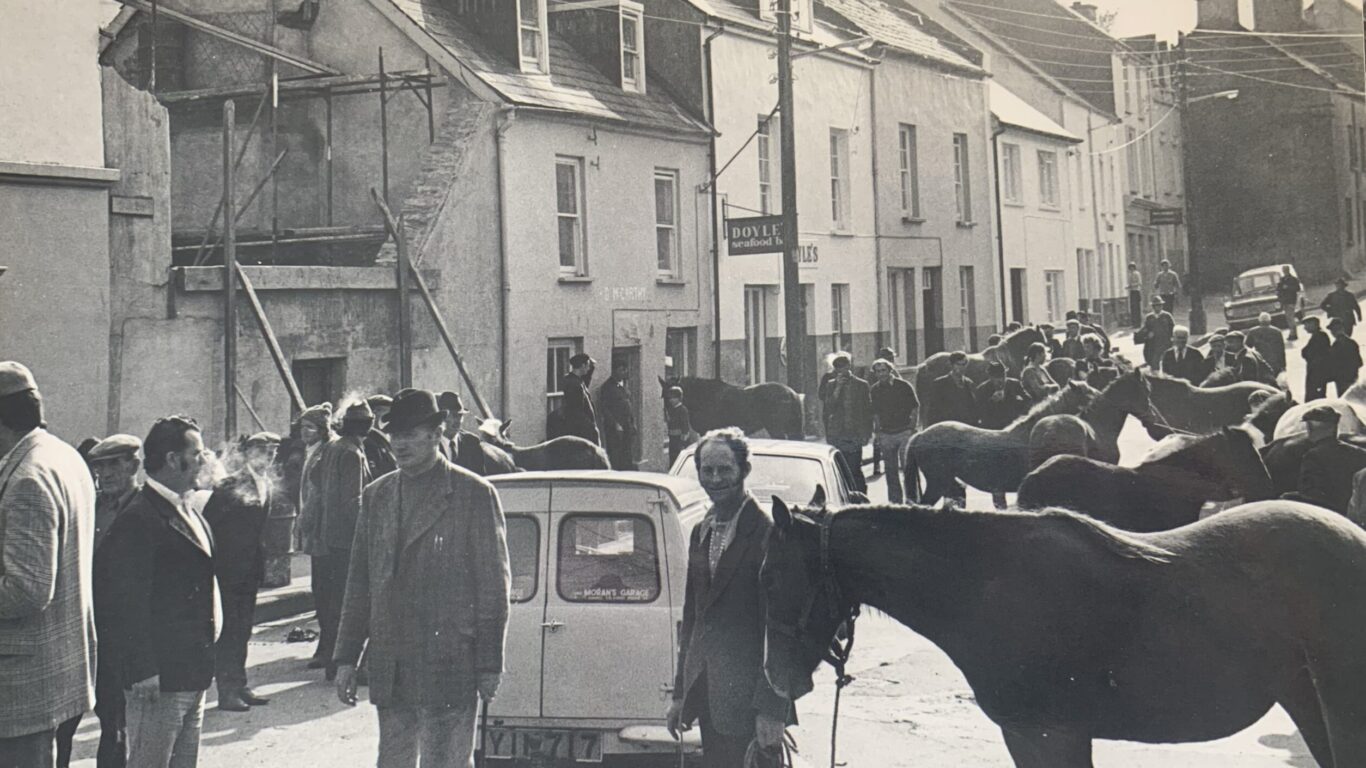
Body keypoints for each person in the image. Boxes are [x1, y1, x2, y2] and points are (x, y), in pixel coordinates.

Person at [334, 388, 510, 768]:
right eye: (395, 435)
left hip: (449, 664)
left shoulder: (473, 494)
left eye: (411, 435)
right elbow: (359, 584)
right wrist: (346, 657)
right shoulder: (377, 496)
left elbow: (493, 588)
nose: (400, 444)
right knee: (393, 761)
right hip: (393, 665)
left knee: (446, 762)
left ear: (437, 434)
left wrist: (489, 664)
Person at [666, 429, 791, 768]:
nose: (715, 479)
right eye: (707, 470)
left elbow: (780, 633)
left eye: (725, 470)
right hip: (709, 697)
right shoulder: (701, 531)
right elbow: (694, 619)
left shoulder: (768, 533)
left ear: (744, 470)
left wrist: (772, 710)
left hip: (752, 706)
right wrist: (680, 694)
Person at [97, 416, 215, 768]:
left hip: (191, 672)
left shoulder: (187, 507)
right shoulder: (139, 518)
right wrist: (141, 669)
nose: (204, 459)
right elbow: (119, 601)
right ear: (172, 460)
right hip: (159, 681)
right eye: (197, 453)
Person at [0, 363, 96, 768]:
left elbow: (26, 590)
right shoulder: (62, 455)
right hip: (58, 671)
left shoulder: (27, 479)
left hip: (22, 687)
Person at [80, 435, 144, 768]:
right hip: (91, 628)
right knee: (98, 713)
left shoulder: (145, 510)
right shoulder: (92, 507)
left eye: (113, 465)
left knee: (118, 722)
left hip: (125, 633)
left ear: (134, 466)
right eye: (99, 466)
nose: (104, 474)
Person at [203, 432, 279, 713]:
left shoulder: (267, 483)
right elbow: (209, 523)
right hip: (228, 568)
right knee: (229, 630)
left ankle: (240, 684)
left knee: (244, 628)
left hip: (250, 568)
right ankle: (227, 691)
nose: (268, 457)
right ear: (248, 453)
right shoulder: (230, 485)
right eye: (262, 450)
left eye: (272, 452)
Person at [312, 402, 374, 681]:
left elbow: (316, 479)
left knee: (334, 601)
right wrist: (369, 530)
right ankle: (341, 665)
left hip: (330, 537)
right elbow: (354, 502)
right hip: (347, 540)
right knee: (350, 603)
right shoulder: (352, 453)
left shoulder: (333, 447)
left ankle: (332, 662)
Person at [293, 402, 332, 671]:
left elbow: (316, 495)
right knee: (320, 589)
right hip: (316, 529)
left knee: (324, 590)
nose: (305, 432)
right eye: (302, 427)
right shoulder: (310, 452)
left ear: (322, 430)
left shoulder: (324, 453)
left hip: (321, 530)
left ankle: (327, 648)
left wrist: (303, 523)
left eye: (310, 428)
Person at [1285, 406, 1366, 515]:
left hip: (1329, 513)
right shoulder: (1360, 453)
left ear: (1310, 428)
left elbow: (1310, 493)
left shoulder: (1313, 456)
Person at [818, 353, 872, 493]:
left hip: (855, 432)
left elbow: (867, 411)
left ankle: (860, 495)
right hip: (838, 433)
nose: (841, 371)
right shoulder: (831, 385)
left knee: (855, 468)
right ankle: (844, 495)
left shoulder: (861, 385)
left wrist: (867, 433)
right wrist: (837, 388)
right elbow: (829, 407)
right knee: (839, 468)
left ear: (849, 366)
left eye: (844, 367)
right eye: (838, 368)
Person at [869, 358, 919, 504]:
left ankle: (912, 501)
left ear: (890, 370)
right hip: (886, 434)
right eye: (878, 371)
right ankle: (895, 503)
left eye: (883, 370)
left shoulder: (903, 386)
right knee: (890, 472)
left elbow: (915, 406)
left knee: (908, 469)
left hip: (904, 432)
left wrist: (912, 428)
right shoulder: (875, 389)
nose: (881, 374)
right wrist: (878, 432)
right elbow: (875, 413)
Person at [597, 357, 638, 471]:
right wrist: (615, 424)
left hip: (626, 425)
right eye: (621, 370)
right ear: (614, 371)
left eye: (625, 370)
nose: (624, 372)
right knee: (616, 454)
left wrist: (632, 422)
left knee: (627, 453)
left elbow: (628, 406)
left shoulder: (623, 386)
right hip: (615, 428)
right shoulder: (607, 387)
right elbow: (604, 408)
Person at [438, 392, 489, 477]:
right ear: (442, 417)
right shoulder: (432, 444)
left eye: (460, 416)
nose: (458, 421)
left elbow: (481, 477)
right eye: (454, 415)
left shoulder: (472, 442)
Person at [557, 353, 600, 445]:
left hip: (583, 427)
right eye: (588, 365)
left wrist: (592, 365)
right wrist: (591, 427)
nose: (588, 368)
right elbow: (576, 410)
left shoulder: (577, 380)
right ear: (583, 366)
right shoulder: (573, 384)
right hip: (581, 429)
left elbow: (586, 379)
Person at [974, 361, 1029, 431]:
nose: (1001, 380)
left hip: (1013, 425)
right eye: (997, 377)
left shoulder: (1014, 384)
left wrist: (1018, 402)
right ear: (990, 377)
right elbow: (979, 412)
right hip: (993, 427)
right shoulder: (982, 390)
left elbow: (1028, 400)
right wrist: (991, 401)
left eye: (1003, 376)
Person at [929, 352, 978, 427]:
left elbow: (974, 409)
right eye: (958, 364)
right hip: (948, 428)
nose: (961, 368)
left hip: (966, 427)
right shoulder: (940, 384)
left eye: (964, 364)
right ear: (951, 365)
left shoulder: (970, 384)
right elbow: (933, 411)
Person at [1135, 295, 1175, 370]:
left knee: (1167, 362)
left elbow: (1173, 328)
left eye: (1160, 305)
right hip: (1153, 344)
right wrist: (1147, 335)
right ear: (1153, 307)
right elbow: (1145, 329)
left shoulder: (1167, 316)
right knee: (1153, 362)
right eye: (1156, 305)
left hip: (1165, 342)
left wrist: (1172, 339)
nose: (1158, 307)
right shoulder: (1149, 317)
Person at [1328, 317, 1363, 397]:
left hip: (1342, 378)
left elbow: (1333, 362)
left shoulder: (1336, 344)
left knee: (1345, 397)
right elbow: (1359, 362)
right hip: (1352, 376)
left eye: (1334, 330)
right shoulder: (1352, 342)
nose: (1333, 332)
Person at [363, 394, 397, 479]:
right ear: (374, 413)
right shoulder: (369, 441)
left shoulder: (383, 439)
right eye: (388, 413)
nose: (392, 418)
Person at [1301, 316, 1333, 401]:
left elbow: (1310, 352)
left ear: (1313, 324)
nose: (1305, 328)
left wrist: (1305, 353)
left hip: (1318, 372)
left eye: (1306, 325)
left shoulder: (1320, 336)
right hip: (1316, 371)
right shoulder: (1317, 335)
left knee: (1316, 396)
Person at [664, 386, 696, 466]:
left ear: (679, 398)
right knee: (672, 456)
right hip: (672, 438)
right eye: (670, 398)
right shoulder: (671, 409)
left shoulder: (682, 410)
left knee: (678, 457)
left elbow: (685, 426)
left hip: (679, 439)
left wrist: (683, 441)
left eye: (674, 398)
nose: (671, 400)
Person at [1277, 267, 1302, 339]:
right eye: (1284, 271)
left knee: (1291, 317)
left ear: (1288, 270)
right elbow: (1279, 288)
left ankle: (1293, 333)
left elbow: (1297, 288)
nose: (1285, 272)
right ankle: (1292, 332)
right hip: (1284, 301)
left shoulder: (1293, 279)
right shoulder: (1282, 279)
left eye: (1286, 270)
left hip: (1291, 300)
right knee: (1288, 318)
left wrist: (1288, 287)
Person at [1127, 262, 1143, 328]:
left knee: (1137, 308)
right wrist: (1129, 286)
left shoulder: (1137, 273)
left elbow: (1139, 283)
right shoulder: (1130, 274)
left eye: (1132, 267)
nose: (1131, 269)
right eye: (1130, 267)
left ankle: (1138, 324)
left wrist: (1132, 285)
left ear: (1134, 267)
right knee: (1133, 308)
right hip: (1132, 291)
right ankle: (1134, 324)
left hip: (1136, 291)